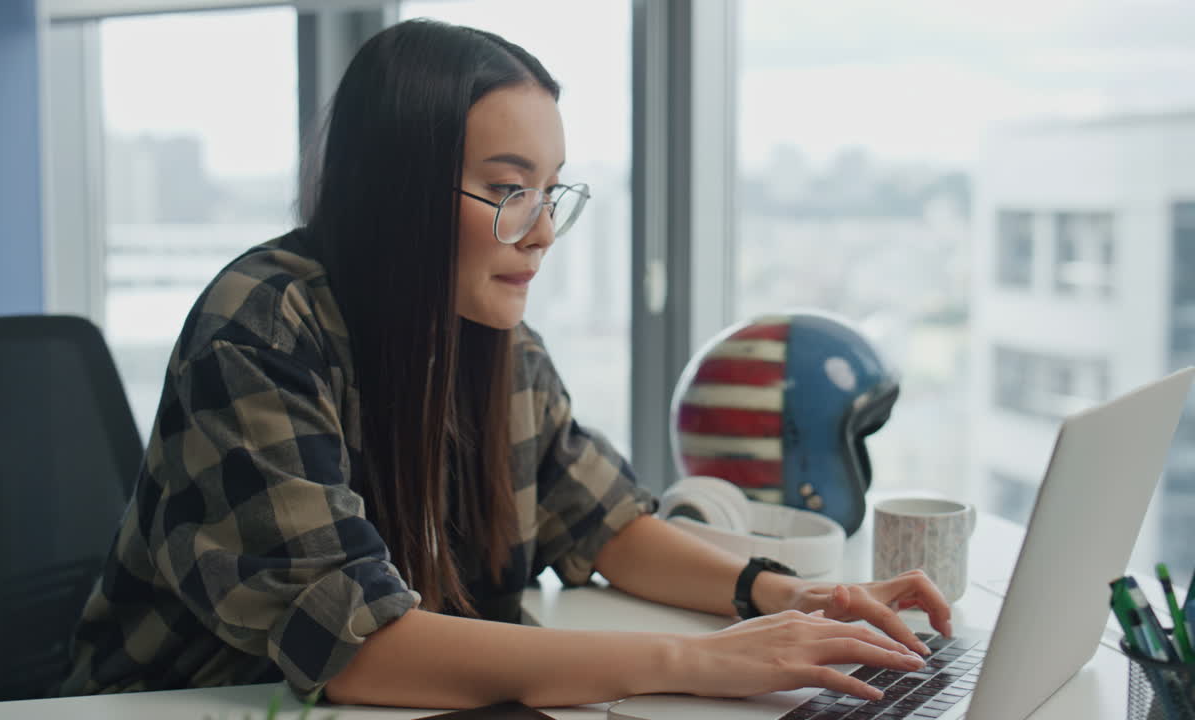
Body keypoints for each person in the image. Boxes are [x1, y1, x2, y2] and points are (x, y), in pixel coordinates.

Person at [60, 19, 951, 709]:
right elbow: (360, 647)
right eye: (506, 188)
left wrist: (787, 596)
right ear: (398, 189)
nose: (543, 230)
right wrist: (692, 663)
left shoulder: (493, 337)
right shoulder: (258, 331)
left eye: (551, 187)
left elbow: (606, 526)